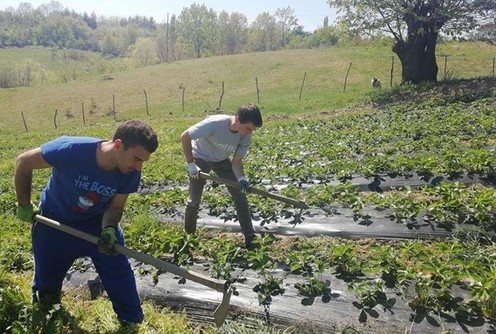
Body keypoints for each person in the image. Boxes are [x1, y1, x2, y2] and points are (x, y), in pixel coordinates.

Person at [14, 120, 158, 325]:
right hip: (55, 221)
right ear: (118, 145)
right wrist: (24, 204)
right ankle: (47, 314)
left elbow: (116, 207)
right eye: (136, 159)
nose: (138, 166)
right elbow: (24, 161)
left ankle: (131, 321)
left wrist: (108, 229)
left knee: (118, 271)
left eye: (143, 161)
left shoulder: (130, 171)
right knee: (47, 280)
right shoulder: (71, 149)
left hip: (96, 224)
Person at [181, 103, 263, 249]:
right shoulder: (215, 124)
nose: (250, 133)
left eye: (253, 130)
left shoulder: (245, 137)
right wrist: (191, 165)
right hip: (200, 157)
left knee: (240, 196)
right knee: (194, 200)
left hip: (221, 160)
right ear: (237, 120)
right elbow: (185, 136)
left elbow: (237, 162)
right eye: (248, 128)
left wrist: (241, 178)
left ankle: (250, 236)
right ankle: (189, 237)